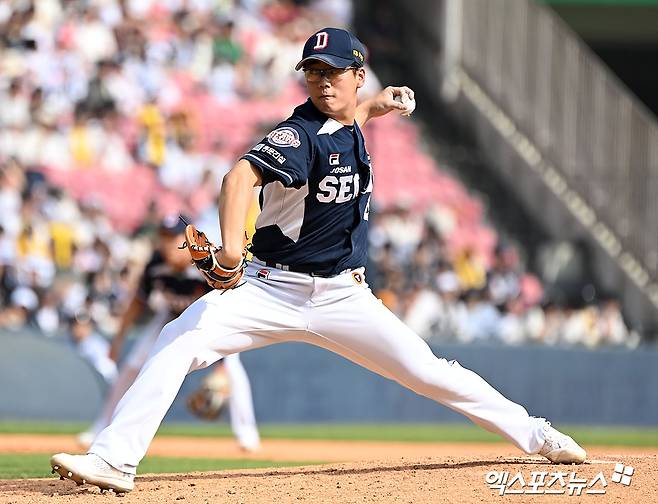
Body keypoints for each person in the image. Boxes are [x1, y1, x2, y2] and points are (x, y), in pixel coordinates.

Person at [51, 27, 586, 493]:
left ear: (357, 75)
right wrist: (233, 244)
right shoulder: (299, 133)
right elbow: (240, 177)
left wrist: (383, 103)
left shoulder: (351, 113)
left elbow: (355, 113)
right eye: (313, 72)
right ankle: (113, 459)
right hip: (268, 289)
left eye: (333, 72)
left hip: (343, 297)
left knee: (429, 372)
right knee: (176, 341)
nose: (323, 82)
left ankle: (537, 434)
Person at [76, 216, 260, 452]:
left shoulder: (206, 261)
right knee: (132, 367)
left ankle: (247, 434)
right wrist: (118, 340)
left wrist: (221, 364)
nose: (166, 244)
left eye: (172, 238)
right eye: (163, 237)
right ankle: (100, 427)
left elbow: (227, 306)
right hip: (170, 315)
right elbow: (136, 304)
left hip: (209, 317)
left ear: (188, 239)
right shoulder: (156, 263)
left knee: (233, 369)